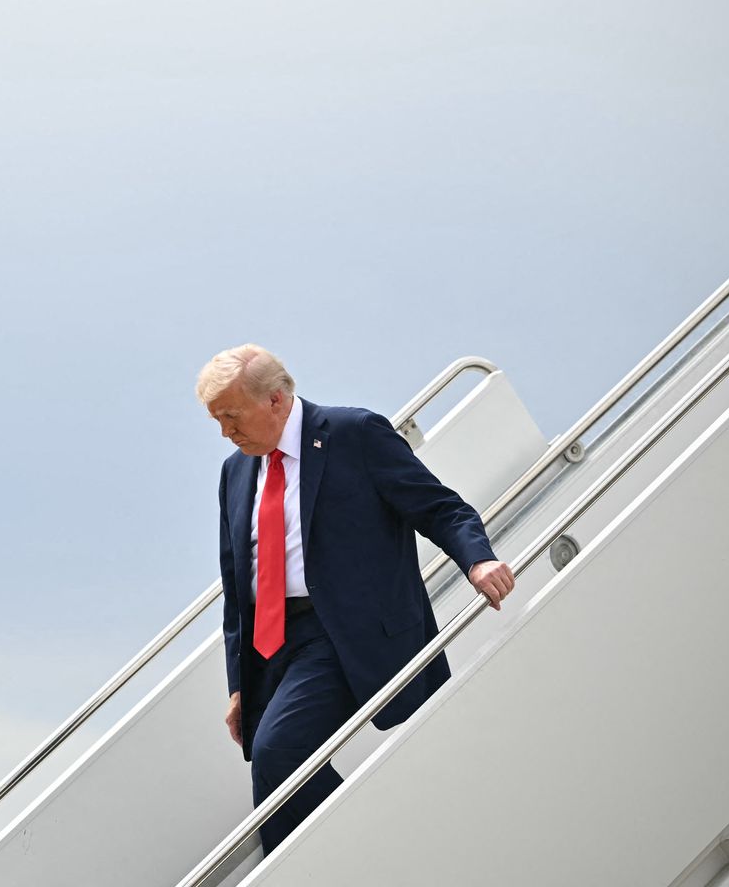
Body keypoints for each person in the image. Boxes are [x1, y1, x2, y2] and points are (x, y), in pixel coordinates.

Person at [196, 343, 514, 855]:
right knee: (269, 760)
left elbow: (439, 508)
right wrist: (239, 682)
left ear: (276, 401)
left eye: (232, 416)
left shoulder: (354, 434)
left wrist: (477, 560)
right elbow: (238, 583)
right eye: (216, 421)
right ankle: (338, 858)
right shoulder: (236, 472)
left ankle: (359, 857)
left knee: (280, 751)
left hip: (344, 630)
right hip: (274, 643)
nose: (225, 433)